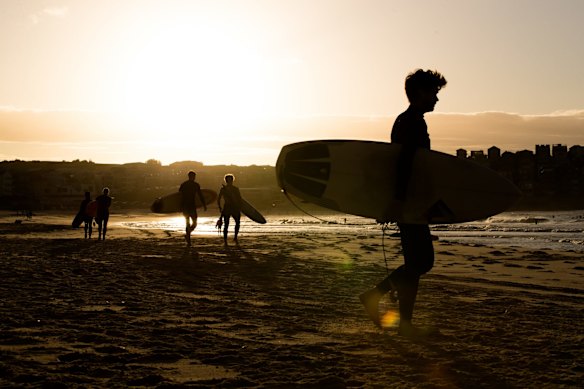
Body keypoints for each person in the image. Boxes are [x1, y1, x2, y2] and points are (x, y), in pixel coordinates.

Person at [359, 69, 447, 338]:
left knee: (417, 263)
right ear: (420, 92)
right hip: (408, 202)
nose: (436, 99)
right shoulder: (411, 122)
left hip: (411, 201)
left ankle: (403, 322)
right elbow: (404, 164)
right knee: (421, 262)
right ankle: (376, 297)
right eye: (434, 92)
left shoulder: (410, 120)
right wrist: (398, 201)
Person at [179, 171, 207, 247]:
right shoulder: (185, 184)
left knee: (194, 223)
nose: (193, 178)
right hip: (187, 206)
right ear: (189, 176)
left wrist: (204, 204)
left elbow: (200, 195)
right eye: (192, 176)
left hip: (190, 205)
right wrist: (179, 206)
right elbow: (179, 196)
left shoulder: (195, 185)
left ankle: (188, 234)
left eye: (194, 176)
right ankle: (188, 239)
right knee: (188, 223)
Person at [217, 174, 242, 244]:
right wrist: (219, 207)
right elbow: (219, 199)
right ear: (226, 181)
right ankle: (225, 239)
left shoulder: (235, 189)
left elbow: (239, 199)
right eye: (228, 180)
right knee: (226, 224)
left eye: (230, 180)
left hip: (234, 207)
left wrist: (240, 207)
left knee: (237, 222)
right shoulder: (223, 189)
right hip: (227, 207)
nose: (230, 181)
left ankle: (235, 237)